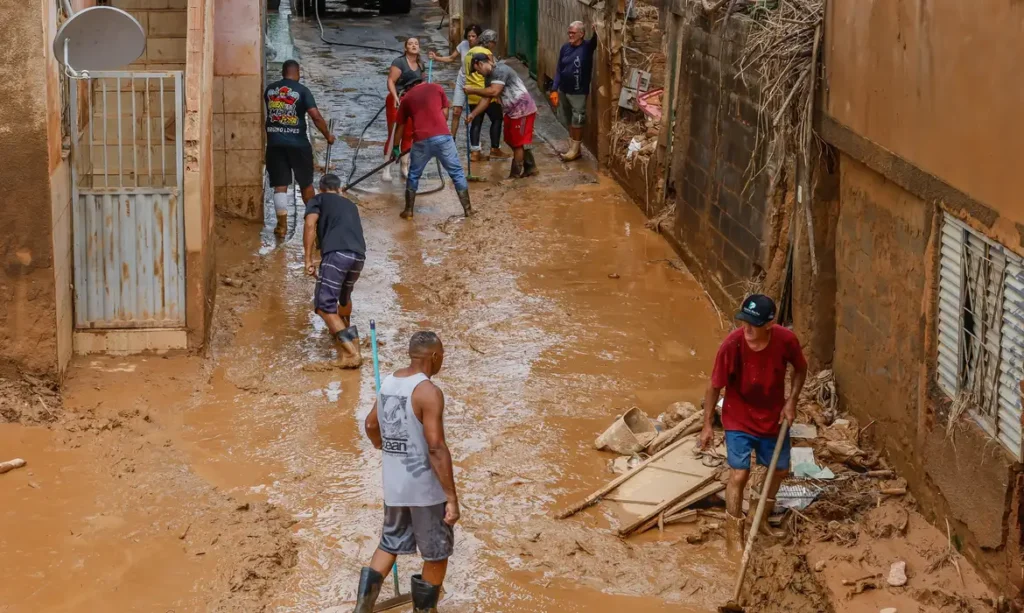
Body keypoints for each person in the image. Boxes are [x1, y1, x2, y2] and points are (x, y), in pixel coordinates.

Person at [356, 331, 460, 613]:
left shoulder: (389, 382)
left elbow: (370, 425)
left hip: (395, 484)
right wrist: (451, 497)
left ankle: (362, 609)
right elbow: (436, 448)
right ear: (435, 357)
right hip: (424, 489)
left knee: (389, 543)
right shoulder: (429, 392)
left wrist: (384, 447)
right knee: (437, 553)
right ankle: (425, 610)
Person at [699, 294, 807, 549]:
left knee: (779, 471)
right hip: (739, 416)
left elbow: (801, 369)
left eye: (753, 324)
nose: (745, 328)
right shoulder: (732, 345)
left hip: (772, 416)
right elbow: (714, 386)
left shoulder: (785, 340)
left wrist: (791, 402)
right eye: (743, 322)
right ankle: (733, 532)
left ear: (769, 325)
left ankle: (759, 522)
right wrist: (706, 426)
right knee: (740, 474)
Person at [265, 60, 335, 238]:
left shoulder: (270, 90)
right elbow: (316, 117)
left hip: (275, 143)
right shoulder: (302, 90)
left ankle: (281, 226)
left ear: (282, 72)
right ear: (298, 73)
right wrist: (328, 135)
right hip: (298, 144)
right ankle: (316, 224)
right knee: (306, 184)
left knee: (280, 186)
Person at [303, 174, 366, 369]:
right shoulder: (350, 204)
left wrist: (308, 259)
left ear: (321, 188)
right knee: (343, 298)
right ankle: (348, 339)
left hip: (336, 254)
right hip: (358, 255)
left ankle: (351, 353)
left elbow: (310, 225)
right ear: (339, 189)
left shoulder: (317, 200)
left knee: (324, 305)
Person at [392, 79, 472, 219]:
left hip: (421, 141)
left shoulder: (406, 98)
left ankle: (408, 211)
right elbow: (446, 113)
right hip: (443, 138)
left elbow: (400, 126)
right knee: (457, 173)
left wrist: (395, 148)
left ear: (409, 86)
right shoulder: (437, 88)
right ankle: (468, 210)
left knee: (414, 174)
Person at [466, 54, 539, 178]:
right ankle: (530, 166)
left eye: (478, 71)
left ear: (481, 64)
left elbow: (494, 91)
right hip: (511, 111)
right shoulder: (488, 77)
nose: (479, 74)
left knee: (517, 144)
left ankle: (514, 176)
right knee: (510, 140)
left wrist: (472, 90)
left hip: (522, 110)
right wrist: (473, 114)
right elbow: (486, 98)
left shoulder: (500, 70)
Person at [549, 21, 598, 162]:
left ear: (581, 34)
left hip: (578, 91)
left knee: (578, 120)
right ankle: (573, 148)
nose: (570, 35)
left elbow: (595, 41)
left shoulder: (587, 47)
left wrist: (596, 30)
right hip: (564, 90)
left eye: (573, 33)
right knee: (569, 119)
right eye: (569, 32)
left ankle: (575, 150)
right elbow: (559, 69)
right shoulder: (565, 48)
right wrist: (554, 89)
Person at [428, 24, 482, 138]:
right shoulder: (463, 45)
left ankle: (475, 144)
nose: (471, 38)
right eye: (469, 36)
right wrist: (436, 58)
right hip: (462, 80)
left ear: (478, 37)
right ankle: (452, 139)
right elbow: (451, 58)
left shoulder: (482, 49)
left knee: (476, 114)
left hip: (476, 83)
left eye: (473, 36)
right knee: (456, 111)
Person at [461, 30, 507, 162]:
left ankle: (475, 152)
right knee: (497, 118)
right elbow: (493, 73)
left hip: (472, 92)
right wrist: (497, 95)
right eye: (493, 43)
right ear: (489, 42)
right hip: (486, 92)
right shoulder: (487, 54)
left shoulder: (469, 53)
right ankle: (495, 149)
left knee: (476, 122)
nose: (494, 45)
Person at [384, 37, 424, 182]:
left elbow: (422, 83)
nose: (414, 45)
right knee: (394, 133)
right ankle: (386, 168)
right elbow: (390, 81)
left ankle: (404, 166)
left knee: (409, 134)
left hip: (413, 102)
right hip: (398, 101)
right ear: (406, 48)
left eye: (416, 43)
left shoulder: (421, 64)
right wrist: (395, 97)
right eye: (410, 44)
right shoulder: (399, 62)